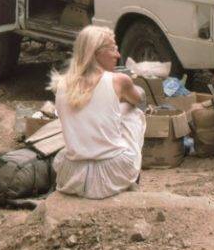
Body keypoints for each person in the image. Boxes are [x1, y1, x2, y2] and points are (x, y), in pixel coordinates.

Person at [49, 26, 146, 199]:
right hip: (111, 175)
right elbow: (139, 100)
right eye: (113, 49)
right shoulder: (120, 80)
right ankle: (132, 181)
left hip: (73, 176)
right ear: (95, 53)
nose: (117, 55)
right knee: (133, 112)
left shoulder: (61, 84)